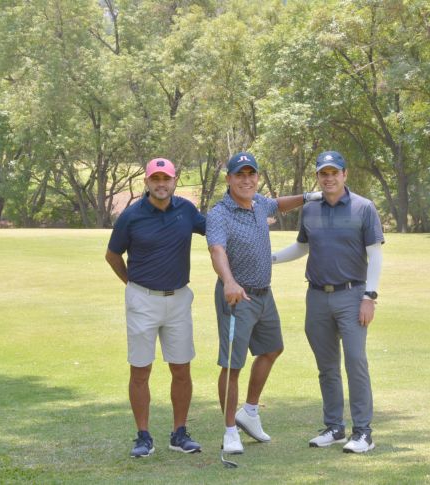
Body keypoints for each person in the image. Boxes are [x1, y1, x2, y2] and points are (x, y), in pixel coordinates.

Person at [206, 151, 322, 455]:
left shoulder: (259, 204)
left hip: (264, 294)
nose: (246, 180)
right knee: (232, 364)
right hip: (237, 297)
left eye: (251, 174)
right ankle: (230, 429)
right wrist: (229, 282)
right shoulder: (220, 213)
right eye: (240, 175)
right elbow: (217, 251)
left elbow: (280, 203)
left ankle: (250, 412)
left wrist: (311, 195)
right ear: (229, 179)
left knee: (272, 349)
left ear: (257, 177)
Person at [271, 150, 384, 453]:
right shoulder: (310, 210)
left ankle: (363, 433)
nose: (329, 178)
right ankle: (334, 427)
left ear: (345, 175)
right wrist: (268, 259)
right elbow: (301, 247)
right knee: (327, 367)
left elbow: (375, 254)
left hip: (352, 295)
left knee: (356, 363)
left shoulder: (364, 208)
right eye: (324, 173)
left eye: (335, 172)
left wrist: (369, 297)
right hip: (317, 296)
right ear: (318, 177)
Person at [105, 157, 206, 458]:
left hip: (178, 299)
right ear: (147, 182)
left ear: (174, 181)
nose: (161, 184)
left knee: (181, 368)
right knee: (140, 370)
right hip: (142, 299)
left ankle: (179, 432)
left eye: (167, 179)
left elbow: (215, 231)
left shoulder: (186, 210)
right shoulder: (132, 216)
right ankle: (143, 436)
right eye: (155, 179)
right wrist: (133, 285)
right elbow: (112, 256)